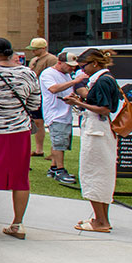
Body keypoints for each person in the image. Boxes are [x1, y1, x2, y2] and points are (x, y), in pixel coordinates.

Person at [65, 49, 121, 233]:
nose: (82, 71)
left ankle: (101, 221)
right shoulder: (105, 79)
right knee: (101, 173)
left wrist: (78, 103)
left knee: (94, 173)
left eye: (84, 67)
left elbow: (104, 109)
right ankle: (101, 218)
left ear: (94, 64)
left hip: (97, 132)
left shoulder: (103, 80)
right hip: (100, 131)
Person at [0, 37, 41, 240]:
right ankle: (18, 223)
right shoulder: (27, 73)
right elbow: (35, 103)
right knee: (20, 179)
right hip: (18, 131)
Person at [38, 50, 82, 186]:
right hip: (55, 113)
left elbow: (65, 90)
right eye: (69, 65)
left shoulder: (66, 74)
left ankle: (53, 167)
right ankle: (60, 170)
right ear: (60, 62)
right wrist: (76, 81)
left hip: (64, 112)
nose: (72, 68)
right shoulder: (48, 73)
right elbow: (54, 89)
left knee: (60, 142)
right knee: (59, 143)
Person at [26, 38, 60, 156]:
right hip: (35, 94)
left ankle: (54, 151)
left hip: (46, 94)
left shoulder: (52, 59)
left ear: (43, 48)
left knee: (50, 122)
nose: (33, 52)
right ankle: (39, 149)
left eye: (36, 49)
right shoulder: (34, 60)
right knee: (37, 122)